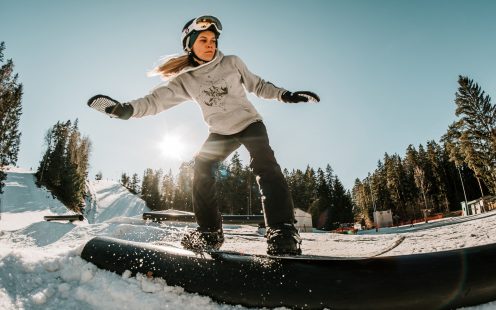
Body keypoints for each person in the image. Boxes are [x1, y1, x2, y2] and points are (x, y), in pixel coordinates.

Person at [89, 15, 319, 255]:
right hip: (220, 131)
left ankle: (282, 230)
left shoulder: (232, 62)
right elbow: (156, 100)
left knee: (265, 164)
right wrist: (127, 109)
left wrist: (286, 95)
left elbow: (258, 85)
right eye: (204, 40)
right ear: (190, 45)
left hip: (250, 123)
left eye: (213, 40)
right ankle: (209, 232)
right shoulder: (186, 80)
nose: (211, 44)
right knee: (202, 166)